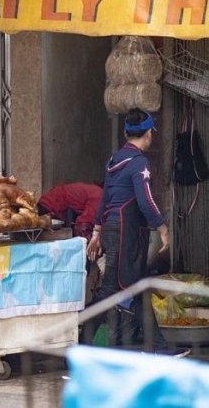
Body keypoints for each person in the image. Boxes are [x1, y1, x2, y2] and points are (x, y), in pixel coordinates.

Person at [84, 108, 188, 356]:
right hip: (125, 232)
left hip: (112, 228)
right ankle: (81, 347)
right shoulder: (139, 163)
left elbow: (104, 200)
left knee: (138, 288)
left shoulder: (113, 161)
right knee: (111, 289)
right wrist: (163, 228)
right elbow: (146, 202)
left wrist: (97, 232)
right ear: (149, 133)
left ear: (125, 132)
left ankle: (160, 348)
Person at [37, 182, 103, 240]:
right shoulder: (99, 197)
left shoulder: (96, 193)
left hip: (52, 201)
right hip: (52, 206)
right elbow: (83, 225)